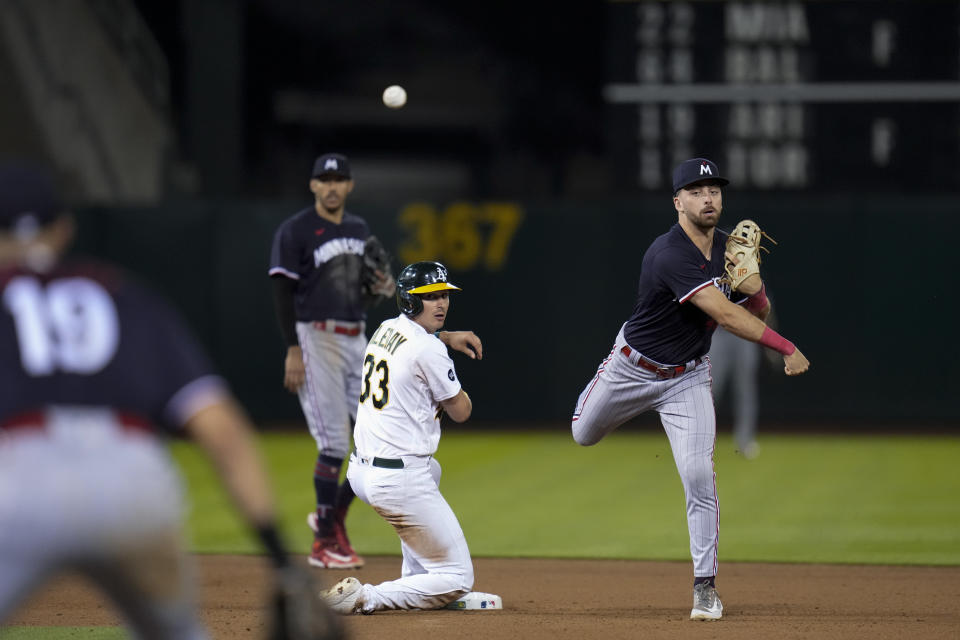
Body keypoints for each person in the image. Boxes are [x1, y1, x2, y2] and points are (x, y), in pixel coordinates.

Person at [0, 164, 338, 639]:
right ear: (63, 229)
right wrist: (281, 559)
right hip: (131, 480)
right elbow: (220, 427)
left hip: (17, 481)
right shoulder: (123, 295)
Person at [570, 158, 809, 621]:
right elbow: (723, 315)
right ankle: (596, 393)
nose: (708, 197)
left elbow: (751, 313)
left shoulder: (727, 249)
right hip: (630, 369)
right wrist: (785, 346)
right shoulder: (669, 253)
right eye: (697, 190)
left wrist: (756, 290)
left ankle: (705, 588)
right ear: (678, 201)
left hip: (687, 377)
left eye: (714, 190)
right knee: (583, 434)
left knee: (699, 478)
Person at [320, 261, 484, 614]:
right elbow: (461, 411)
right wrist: (449, 372)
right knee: (458, 576)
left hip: (363, 473)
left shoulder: (385, 329)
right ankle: (366, 596)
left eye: (444, 295)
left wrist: (446, 336)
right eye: (429, 297)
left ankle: (417, 579)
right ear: (410, 300)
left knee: (433, 470)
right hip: (397, 478)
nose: (440, 303)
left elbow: (415, 344)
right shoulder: (429, 350)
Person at [268, 152, 396, 570]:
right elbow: (283, 293)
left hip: (355, 334)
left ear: (350, 186)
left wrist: (379, 287)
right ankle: (324, 541)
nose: (332, 186)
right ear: (313, 186)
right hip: (314, 336)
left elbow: (366, 289)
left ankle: (332, 516)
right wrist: (292, 347)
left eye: (339, 179)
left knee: (374, 439)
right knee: (335, 443)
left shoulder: (359, 229)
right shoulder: (296, 230)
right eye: (325, 180)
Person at [708, 326, 761, 458]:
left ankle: (745, 441)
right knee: (710, 389)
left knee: (745, 390)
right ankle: (699, 440)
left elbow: (762, 307)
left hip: (745, 332)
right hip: (718, 331)